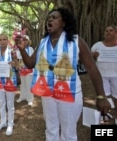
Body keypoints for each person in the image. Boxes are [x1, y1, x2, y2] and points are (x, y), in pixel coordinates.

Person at [17, 7, 111, 141]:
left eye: (54, 17)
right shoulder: (43, 42)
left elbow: (91, 67)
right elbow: (31, 63)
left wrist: (101, 95)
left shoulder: (76, 41)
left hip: (69, 94)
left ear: (64, 23)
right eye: (49, 18)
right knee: (51, 129)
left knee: (69, 132)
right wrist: (21, 50)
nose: (50, 19)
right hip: (48, 93)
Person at [0, 33, 19, 136]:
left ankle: (10, 124)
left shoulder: (12, 52)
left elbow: (17, 66)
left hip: (10, 81)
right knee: (2, 103)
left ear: (7, 41)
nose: (2, 41)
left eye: (4, 39)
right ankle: (3, 122)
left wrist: (14, 64)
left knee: (10, 104)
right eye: (1, 39)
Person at [91, 25, 117, 118]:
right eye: (106, 31)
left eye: (111, 30)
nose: (108, 32)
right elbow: (90, 58)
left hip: (116, 76)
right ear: (104, 34)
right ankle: (105, 115)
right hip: (101, 76)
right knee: (103, 96)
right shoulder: (97, 45)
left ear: (116, 33)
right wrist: (93, 55)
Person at [15, 35, 35, 106]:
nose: (24, 41)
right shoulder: (18, 50)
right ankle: (22, 96)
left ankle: (30, 99)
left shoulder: (31, 49)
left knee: (29, 84)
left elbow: (32, 59)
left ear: (28, 41)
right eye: (23, 40)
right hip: (21, 70)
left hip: (29, 70)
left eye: (26, 40)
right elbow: (17, 59)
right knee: (22, 84)